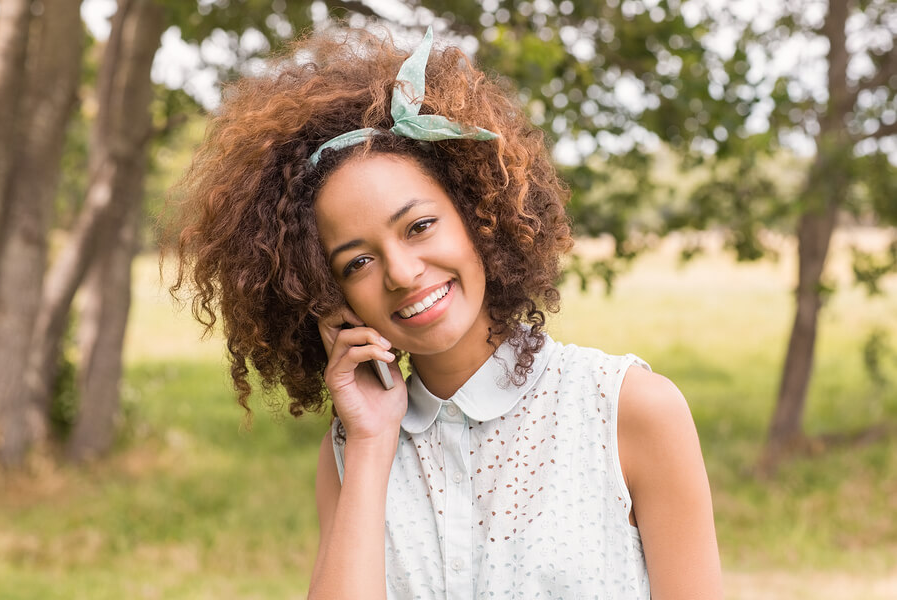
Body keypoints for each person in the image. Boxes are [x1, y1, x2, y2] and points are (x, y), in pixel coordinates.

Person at [168, 24, 722, 599]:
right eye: (357, 262)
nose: (403, 273)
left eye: (420, 226)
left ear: (479, 213)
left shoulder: (628, 411)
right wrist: (370, 443)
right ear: (330, 297)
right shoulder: (350, 451)